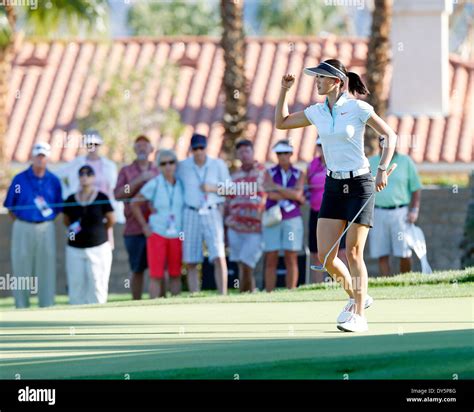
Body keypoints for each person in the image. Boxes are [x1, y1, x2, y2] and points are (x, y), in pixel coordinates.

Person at [275, 59, 397, 332]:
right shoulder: (317, 111)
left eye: (321, 77)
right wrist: (284, 90)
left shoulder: (358, 108)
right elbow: (281, 123)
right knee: (326, 256)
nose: (316, 81)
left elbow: (390, 135)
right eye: (316, 77)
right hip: (333, 186)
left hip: (360, 184)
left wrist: (383, 169)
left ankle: (359, 315)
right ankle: (358, 298)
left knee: (353, 253)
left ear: (337, 82)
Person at [3, 142, 63, 308]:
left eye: (43, 156)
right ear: (32, 157)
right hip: (22, 226)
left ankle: (47, 305)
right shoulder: (19, 179)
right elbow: (10, 206)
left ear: (47, 158)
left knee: (47, 266)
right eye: (37, 156)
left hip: (46, 226)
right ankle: (21, 306)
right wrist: (24, 221)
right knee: (21, 266)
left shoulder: (54, 181)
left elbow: (58, 207)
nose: (40, 159)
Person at [177, 133, 230, 295]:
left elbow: (230, 189)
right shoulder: (183, 166)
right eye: (195, 149)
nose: (198, 151)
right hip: (191, 212)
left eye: (201, 148)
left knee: (218, 255)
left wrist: (212, 188)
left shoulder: (218, 165)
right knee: (191, 258)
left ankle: (223, 295)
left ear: (205, 148)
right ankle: (194, 295)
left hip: (212, 210)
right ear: (191, 150)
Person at [130, 150, 184, 298]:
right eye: (163, 163)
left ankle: (177, 309)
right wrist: (144, 226)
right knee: (156, 275)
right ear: (159, 166)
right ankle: (153, 307)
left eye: (171, 162)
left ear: (176, 164)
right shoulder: (155, 183)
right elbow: (134, 203)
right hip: (157, 233)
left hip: (177, 233)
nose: (168, 166)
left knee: (175, 274)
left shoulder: (181, 184)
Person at [56, 129, 123, 249]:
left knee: (103, 246)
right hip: (80, 210)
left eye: (95, 144)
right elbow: (56, 175)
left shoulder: (109, 166)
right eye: (89, 144)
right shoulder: (76, 163)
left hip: (102, 212)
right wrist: (67, 195)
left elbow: (113, 188)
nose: (92, 147)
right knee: (76, 242)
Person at [114, 135, 159, 299]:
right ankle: (137, 302)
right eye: (138, 146)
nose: (141, 148)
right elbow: (119, 195)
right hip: (134, 229)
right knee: (137, 269)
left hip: (158, 227)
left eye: (145, 146)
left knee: (159, 269)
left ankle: (161, 303)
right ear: (134, 149)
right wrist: (138, 181)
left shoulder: (158, 169)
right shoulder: (126, 171)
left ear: (151, 149)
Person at [63, 165, 115, 305]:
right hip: (75, 248)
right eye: (81, 174)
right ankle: (76, 321)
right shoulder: (70, 199)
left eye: (88, 174)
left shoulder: (102, 197)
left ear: (93, 177)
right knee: (76, 286)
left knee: (98, 284)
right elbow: (66, 221)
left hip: (98, 248)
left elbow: (111, 219)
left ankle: (97, 320)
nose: (84, 177)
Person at [368, 148, 422, 275]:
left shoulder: (405, 161)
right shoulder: (371, 162)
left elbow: (416, 187)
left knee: (404, 252)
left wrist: (414, 210)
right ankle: (387, 284)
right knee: (381, 253)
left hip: (400, 213)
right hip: (378, 212)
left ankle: (405, 282)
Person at [262, 139, 306, 292]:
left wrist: (277, 188)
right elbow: (269, 194)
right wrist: (291, 195)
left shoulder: (299, 173)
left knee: (291, 255)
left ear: (291, 154)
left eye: (285, 153)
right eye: (279, 153)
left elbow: (298, 193)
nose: (282, 156)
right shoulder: (269, 172)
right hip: (273, 217)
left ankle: (291, 291)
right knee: (271, 256)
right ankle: (269, 293)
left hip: (292, 218)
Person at [224, 139, 267, 292]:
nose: (244, 154)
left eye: (246, 151)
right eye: (240, 152)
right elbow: (227, 203)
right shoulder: (233, 177)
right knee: (241, 264)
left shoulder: (264, 172)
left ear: (253, 152)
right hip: (235, 226)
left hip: (256, 228)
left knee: (247, 262)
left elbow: (270, 194)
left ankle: (244, 293)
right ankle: (250, 293)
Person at [307, 138, 348, 283]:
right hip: (316, 213)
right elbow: (304, 187)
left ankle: (343, 284)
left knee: (341, 252)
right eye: (319, 144)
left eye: (325, 143)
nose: (322, 147)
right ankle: (318, 285)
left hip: (337, 213)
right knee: (316, 252)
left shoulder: (339, 163)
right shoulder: (312, 165)